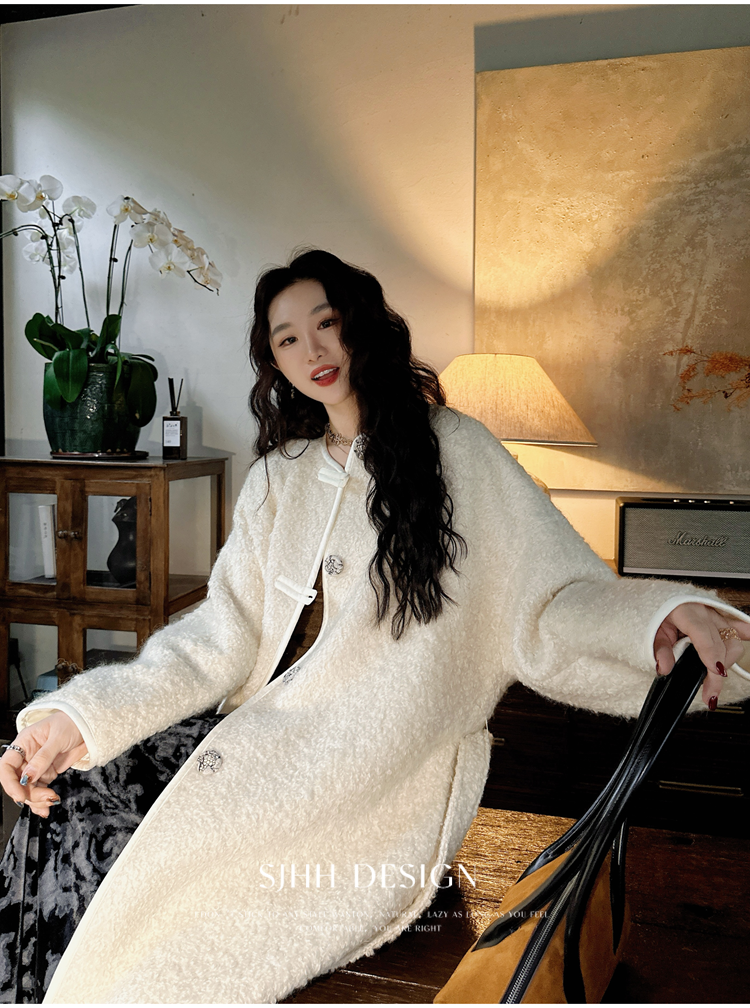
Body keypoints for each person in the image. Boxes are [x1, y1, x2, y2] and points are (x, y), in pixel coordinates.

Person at [1, 248, 749, 1004]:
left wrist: (653, 617)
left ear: (362, 326)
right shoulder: (279, 476)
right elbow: (217, 638)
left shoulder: (461, 452)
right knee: (70, 796)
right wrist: (77, 716)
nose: (312, 350)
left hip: (368, 779)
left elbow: (550, 601)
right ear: (273, 360)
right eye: (287, 338)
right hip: (250, 739)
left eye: (326, 324)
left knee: (135, 867)